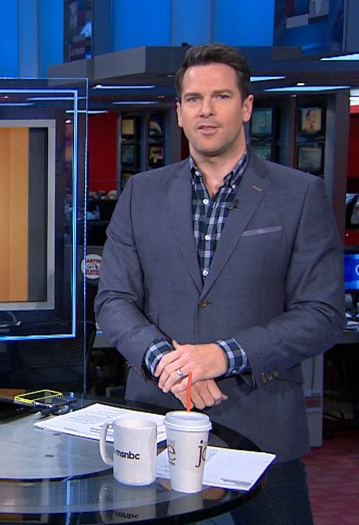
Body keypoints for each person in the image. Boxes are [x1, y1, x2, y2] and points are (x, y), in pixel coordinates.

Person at [94, 43, 344, 525]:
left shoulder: (299, 195)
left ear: (246, 107)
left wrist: (223, 356)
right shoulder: (141, 193)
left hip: (262, 426)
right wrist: (167, 360)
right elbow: (114, 300)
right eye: (194, 99)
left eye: (221, 96)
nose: (205, 110)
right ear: (180, 112)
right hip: (157, 422)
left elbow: (322, 313)